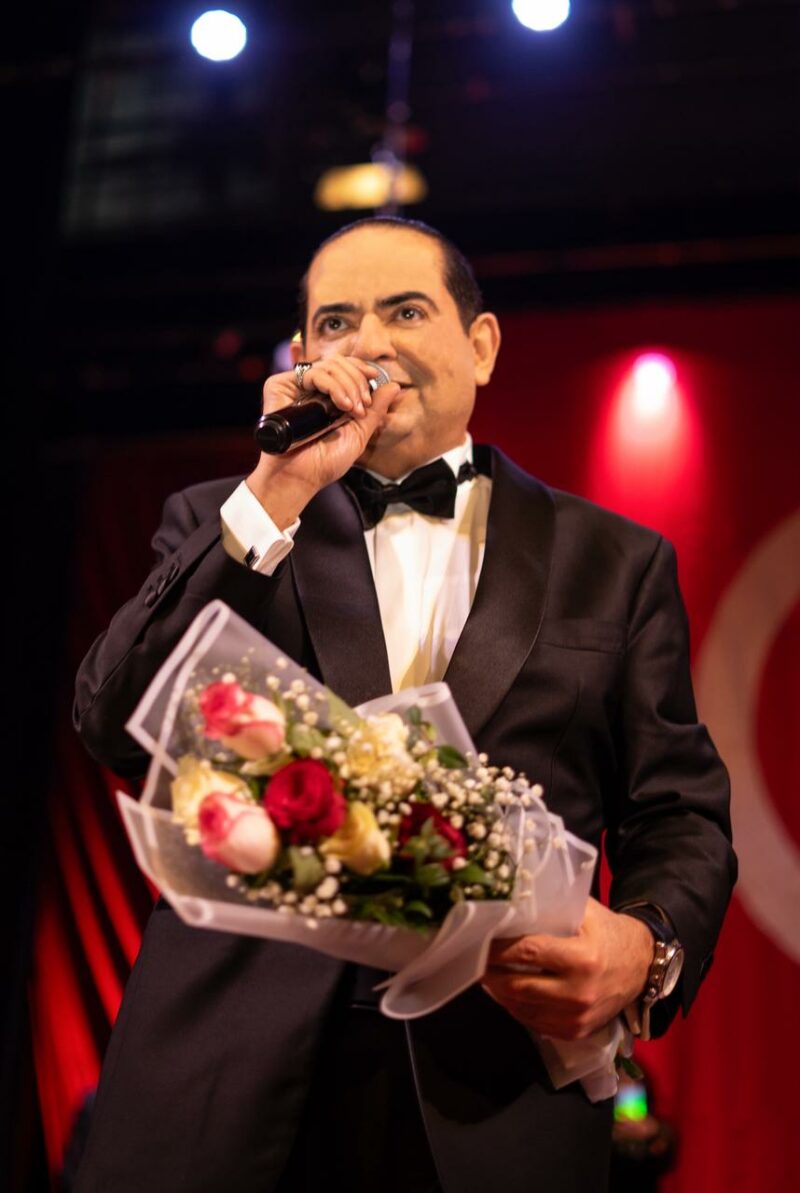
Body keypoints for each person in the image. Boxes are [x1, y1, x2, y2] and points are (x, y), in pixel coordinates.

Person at [73, 216, 736, 1193]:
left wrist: (646, 948)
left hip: (494, 1090)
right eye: (336, 323)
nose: (369, 344)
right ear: (302, 358)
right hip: (221, 1090)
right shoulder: (228, 518)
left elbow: (677, 810)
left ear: (482, 346)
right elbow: (112, 720)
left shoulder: (614, 561)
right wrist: (275, 491)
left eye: (406, 311)